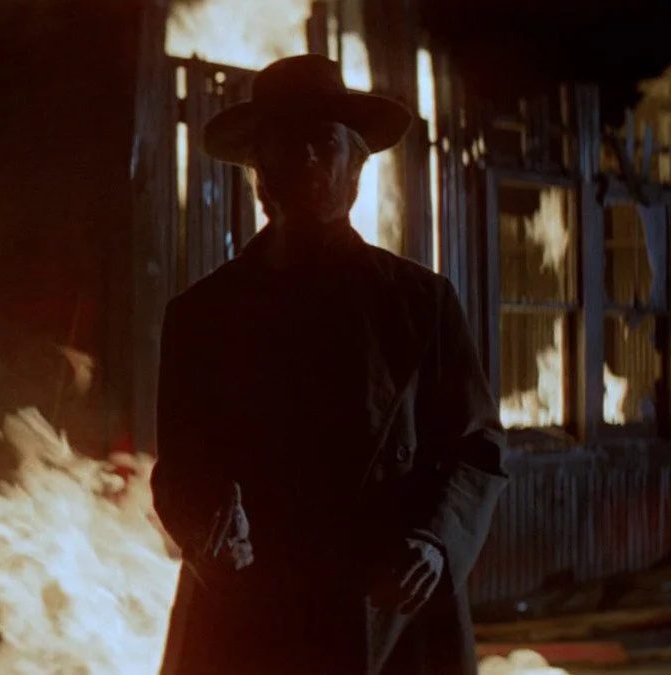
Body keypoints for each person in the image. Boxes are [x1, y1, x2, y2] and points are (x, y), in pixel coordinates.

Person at [152, 54, 509, 675]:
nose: (308, 158)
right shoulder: (202, 314)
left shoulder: (422, 303)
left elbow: (477, 448)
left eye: (325, 142)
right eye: (287, 144)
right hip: (252, 611)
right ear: (261, 172)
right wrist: (208, 525)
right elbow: (181, 465)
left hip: (387, 607)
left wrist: (433, 541)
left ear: (357, 167)